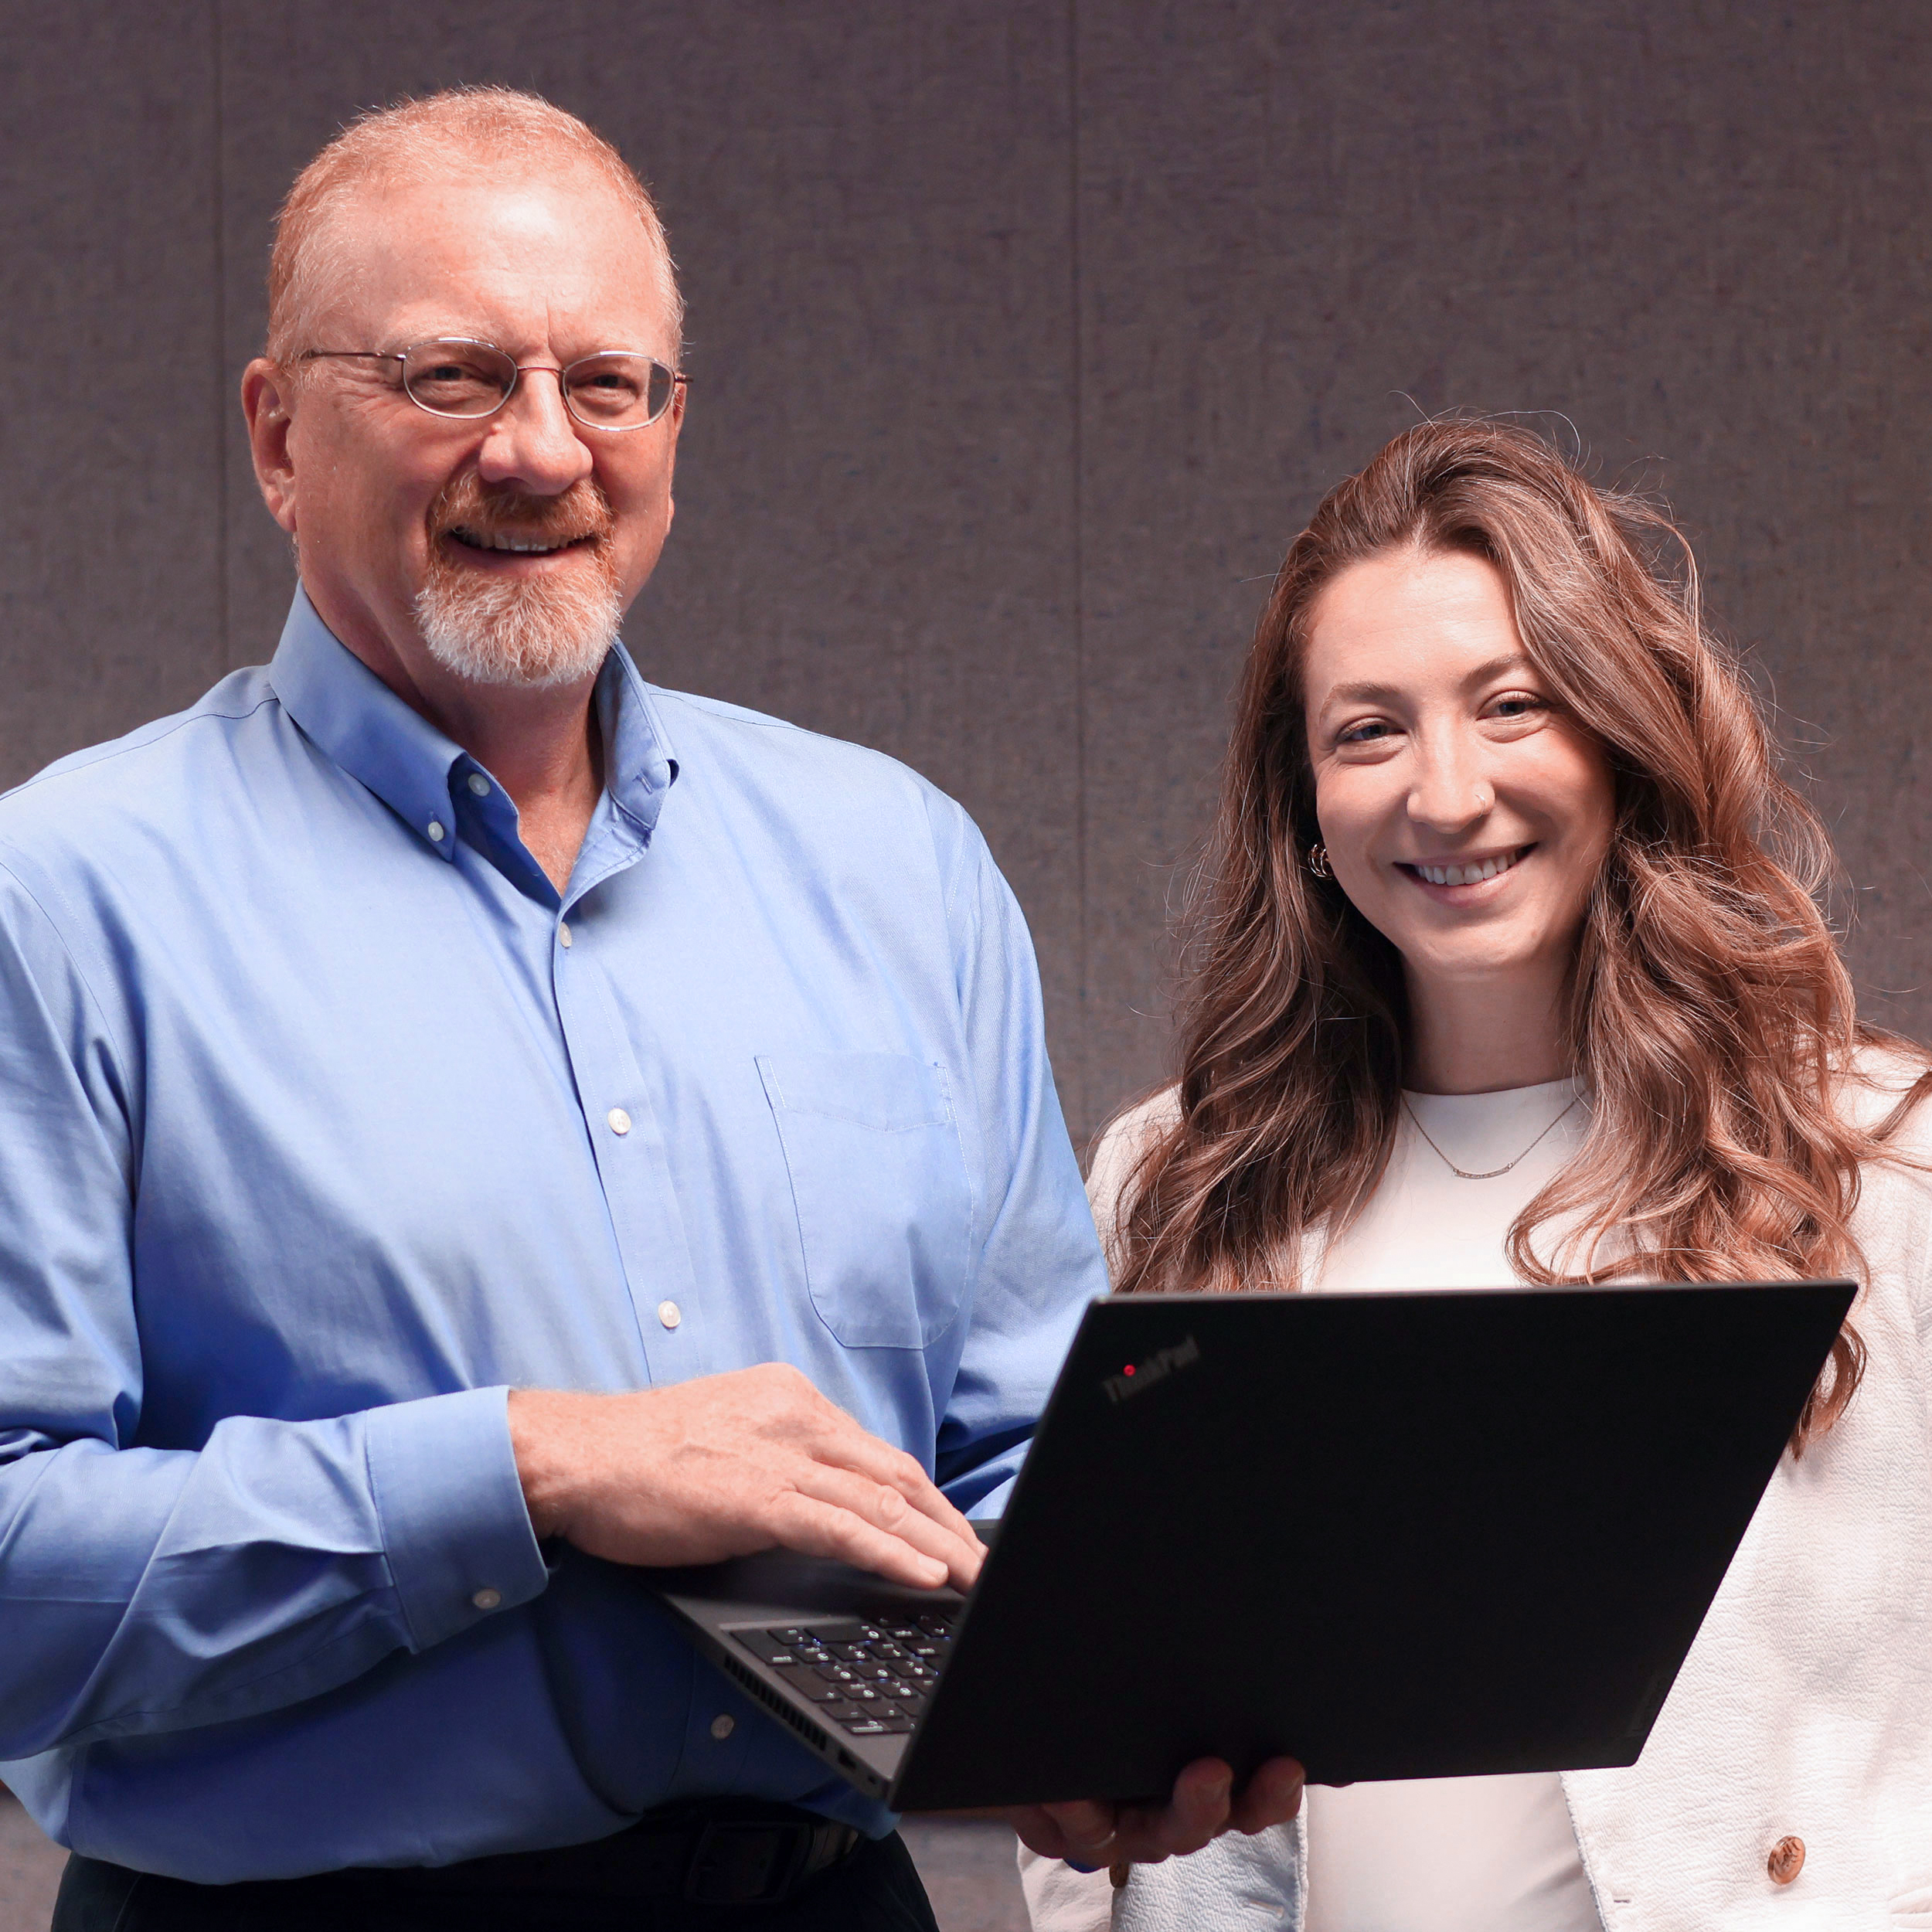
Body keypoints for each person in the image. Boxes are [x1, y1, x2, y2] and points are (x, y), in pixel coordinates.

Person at [0, 88, 1299, 1931]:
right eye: (449, 375)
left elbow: (1012, 1463)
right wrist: (534, 1463)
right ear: (278, 434)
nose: (540, 451)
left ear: (673, 428)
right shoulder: (59, 899)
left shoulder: (895, 861)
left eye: (608, 383)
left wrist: (1094, 1707)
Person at [1021, 419, 1932, 1930]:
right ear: (1302, 803)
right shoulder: (1176, 1180)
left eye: (1510, 704)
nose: (1443, 794)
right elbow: (1087, 1736)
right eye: (1366, 730)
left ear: (1617, 736)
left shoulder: (1873, 1155)